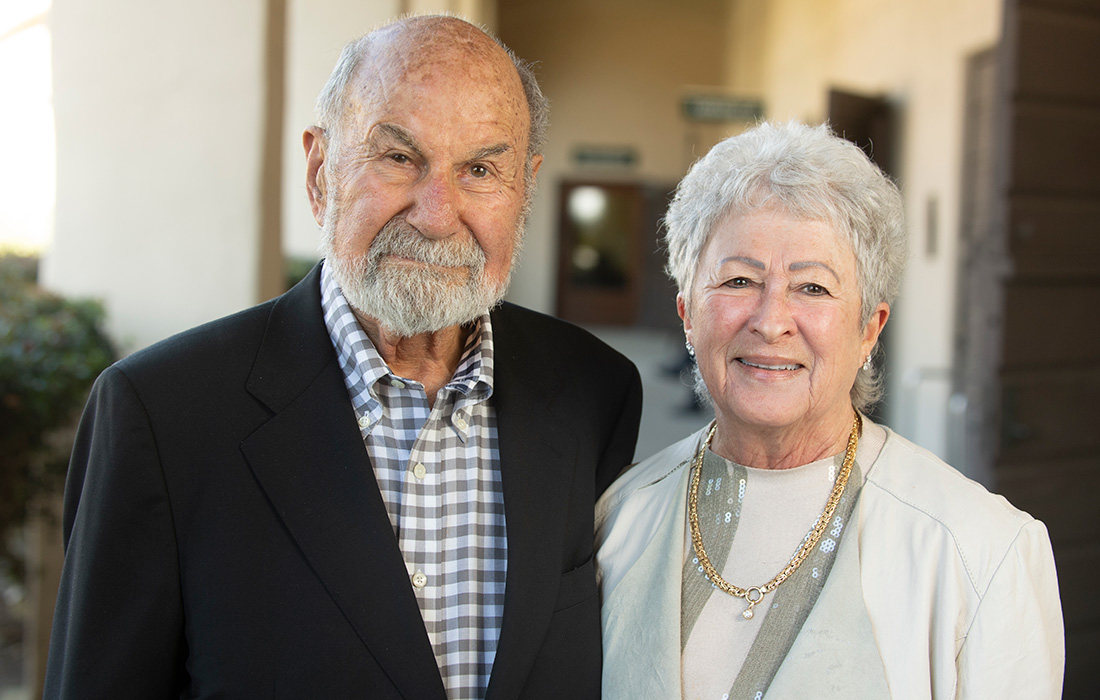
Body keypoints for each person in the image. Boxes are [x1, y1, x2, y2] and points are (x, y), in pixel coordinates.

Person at [45, 15, 642, 700]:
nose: (436, 214)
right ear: (320, 172)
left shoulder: (594, 391)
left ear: (524, 190)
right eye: (398, 158)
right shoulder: (159, 417)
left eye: (480, 170)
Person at [595, 121, 1063, 699]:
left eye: (812, 287)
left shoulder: (979, 551)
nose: (771, 322)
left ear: (869, 329)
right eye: (739, 280)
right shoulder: (618, 517)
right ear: (688, 314)